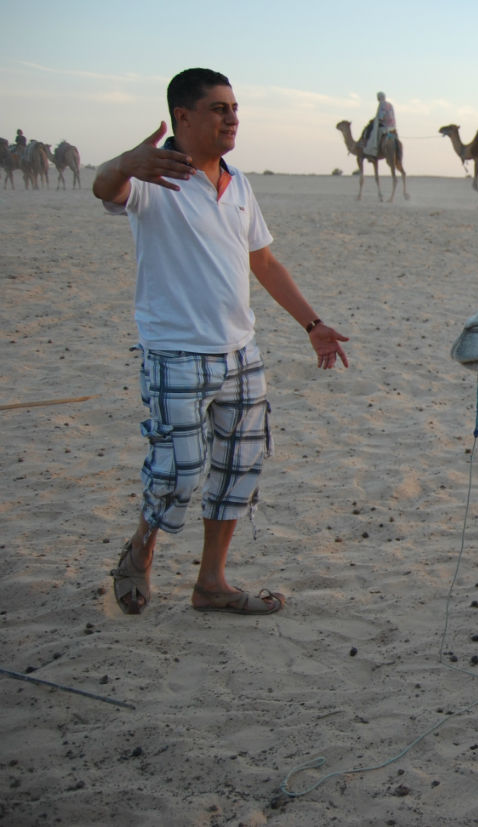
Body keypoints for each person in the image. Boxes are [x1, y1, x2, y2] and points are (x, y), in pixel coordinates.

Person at [93, 68, 350, 615]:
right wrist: (120, 165)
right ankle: (139, 553)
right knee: (178, 468)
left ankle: (211, 583)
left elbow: (263, 261)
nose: (232, 117)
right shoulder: (152, 178)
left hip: (241, 353)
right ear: (182, 116)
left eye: (234, 108)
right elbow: (106, 190)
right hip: (175, 351)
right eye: (218, 108)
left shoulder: (239, 184)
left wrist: (313, 324)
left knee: (238, 470)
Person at [364, 91, 396, 156]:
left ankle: (375, 148)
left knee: (372, 130)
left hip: (385, 125)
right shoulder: (390, 104)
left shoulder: (382, 104)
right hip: (392, 126)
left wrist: (375, 120)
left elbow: (381, 116)